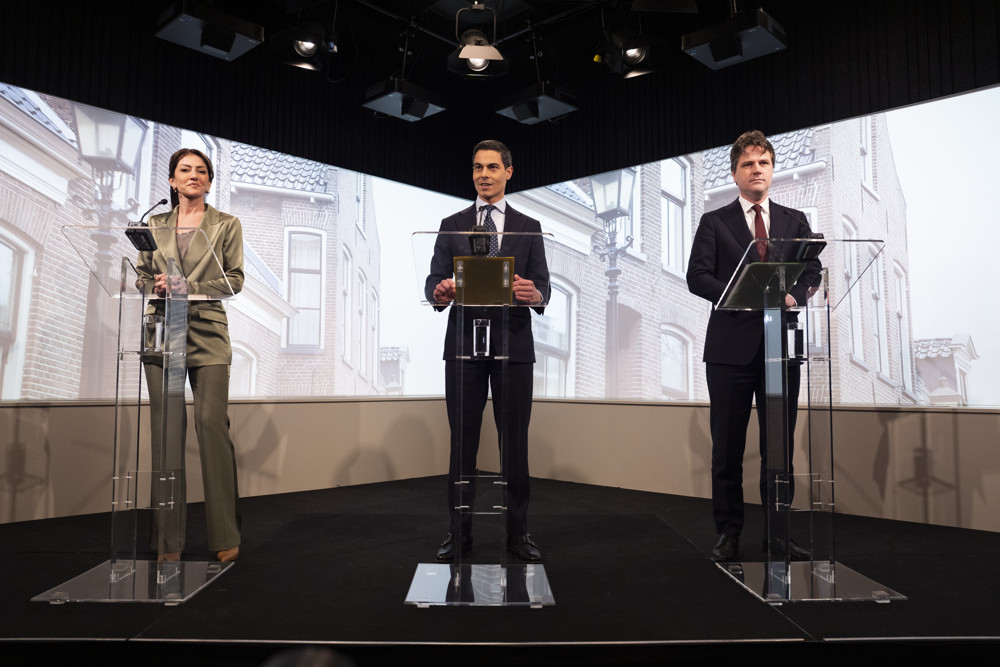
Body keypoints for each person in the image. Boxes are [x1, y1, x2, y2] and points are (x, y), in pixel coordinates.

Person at [686, 130, 819, 562]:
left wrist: (793, 296)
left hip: (782, 350)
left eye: (763, 163)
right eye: (748, 164)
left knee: (779, 449)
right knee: (727, 449)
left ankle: (778, 535)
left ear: (772, 169)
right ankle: (728, 534)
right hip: (729, 352)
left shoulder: (795, 221)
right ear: (735, 173)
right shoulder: (714, 222)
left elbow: (812, 270)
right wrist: (741, 293)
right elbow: (697, 276)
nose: (756, 170)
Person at [424, 140, 550, 563]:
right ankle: (458, 534)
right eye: (478, 167)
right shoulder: (452, 224)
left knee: (514, 446)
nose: (484, 175)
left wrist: (535, 294)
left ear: (508, 172)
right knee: (462, 445)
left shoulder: (529, 227)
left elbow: (543, 286)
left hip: (513, 347)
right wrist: (439, 291)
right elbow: (433, 281)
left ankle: (518, 534)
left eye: (492, 167)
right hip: (464, 347)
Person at [136, 148, 244, 563]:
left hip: (208, 332)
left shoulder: (226, 224)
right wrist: (157, 285)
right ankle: (168, 541)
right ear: (172, 180)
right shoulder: (154, 224)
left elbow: (234, 280)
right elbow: (140, 275)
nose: (193, 175)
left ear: (210, 182)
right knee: (166, 434)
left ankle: (225, 534)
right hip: (162, 329)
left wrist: (190, 287)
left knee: (211, 426)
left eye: (201, 171)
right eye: (185, 170)